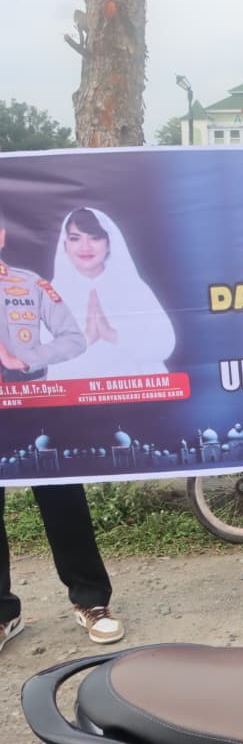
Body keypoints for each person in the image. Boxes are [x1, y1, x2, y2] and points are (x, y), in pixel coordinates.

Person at [0, 201, 123, 649]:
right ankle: (3, 615)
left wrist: (25, 358)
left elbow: (72, 339)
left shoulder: (28, 285)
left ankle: (91, 600)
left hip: (30, 405)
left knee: (62, 496)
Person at [46, 207, 175, 380]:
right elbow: (39, 357)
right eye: (75, 238)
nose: (85, 247)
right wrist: (86, 339)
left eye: (95, 238)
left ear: (109, 244)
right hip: (76, 393)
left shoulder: (133, 287)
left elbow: (165, 345)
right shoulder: (51, 294)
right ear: (65, 245)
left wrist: (112, 335)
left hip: (134, 390)